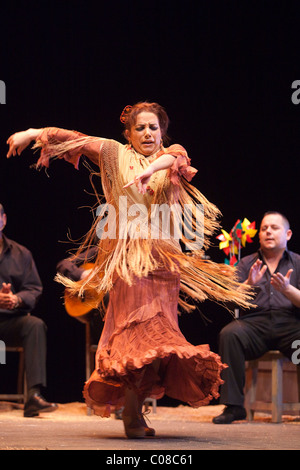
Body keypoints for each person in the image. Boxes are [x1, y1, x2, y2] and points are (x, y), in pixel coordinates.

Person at [6, 101, 252, 438]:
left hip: (164, 264)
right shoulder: (113, 154)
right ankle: (133, 415)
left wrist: (151, 170)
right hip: (129, 264)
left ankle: (135, 413)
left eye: (153, 128)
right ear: (128, 133)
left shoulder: (172, 153)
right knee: (137, 338)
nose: (148, 133)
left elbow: (175, 159)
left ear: (162, 132)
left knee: (155, 342)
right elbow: (73, 138)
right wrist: (32, 133)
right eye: (140, 128)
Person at [213, 211, 300, 424]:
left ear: (288, 234)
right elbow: (230, 302)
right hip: (254, 327)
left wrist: (288, 290)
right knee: (230, 334)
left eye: (274, 227)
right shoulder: (245, 264)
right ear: (259, 235)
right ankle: (234, 407)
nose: (268, 231)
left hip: (290, 327)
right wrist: (248, 285)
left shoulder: (297, 263)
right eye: (264, 228)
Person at [0, 203, 57, 417]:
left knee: (35, 325)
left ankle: (33, 396)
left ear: (3, 220)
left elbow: (34, 289)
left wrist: (15, 299)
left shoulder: (21, 254)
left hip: (10, 322)